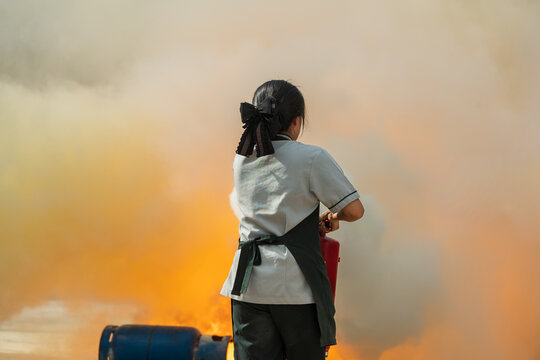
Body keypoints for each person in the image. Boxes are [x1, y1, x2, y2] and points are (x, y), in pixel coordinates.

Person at [220, 80, 364, 360]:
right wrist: (333, 217)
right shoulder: (311, 157)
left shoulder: (242, 158)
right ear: (296, 122)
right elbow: (354, 210)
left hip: (247, 285)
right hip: (293, 287)